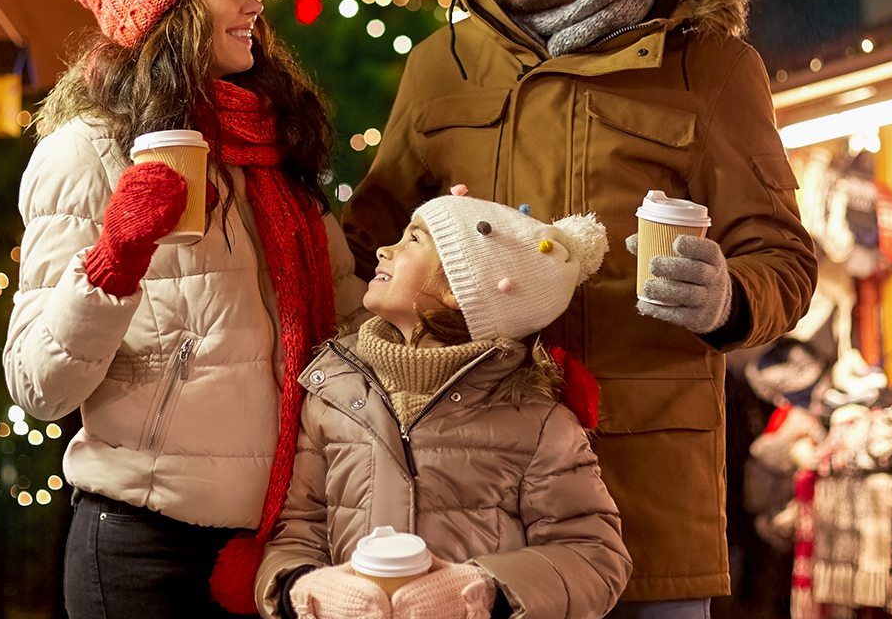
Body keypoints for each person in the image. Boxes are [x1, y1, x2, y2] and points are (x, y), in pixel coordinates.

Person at [342, 0, 817, 616]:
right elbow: (364, 250)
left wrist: (728, 299)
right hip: (474, 504)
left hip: (642, 501)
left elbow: (783, 260)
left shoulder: (708, 69)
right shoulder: (439, 66)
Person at [4, 0, 365, 619]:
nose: (252, 2)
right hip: (145, 548)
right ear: (167, 11)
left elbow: (347, 332)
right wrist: (117, 258)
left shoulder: (274, 145)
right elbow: (36, 384)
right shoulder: (86, 153)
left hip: (285, 543)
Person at [257, 190, 632, 619]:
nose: (384, 249)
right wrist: (302, 590)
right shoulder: (332, 394)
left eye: (412, 240)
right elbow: (299, 532)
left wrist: (484, 591)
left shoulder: (538, 421)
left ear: (461, 287)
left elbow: (594, 556)